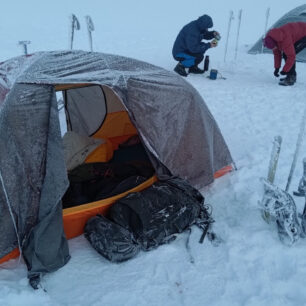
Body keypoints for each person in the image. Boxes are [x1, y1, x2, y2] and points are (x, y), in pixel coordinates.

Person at [263, 22, 306, 86]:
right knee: (287, 53)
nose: (274, 48)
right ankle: (291, 75)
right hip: (297, 31)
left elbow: (291, 56)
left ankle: (291, 78)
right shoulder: (272, 38)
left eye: (274, 47)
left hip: (304, 34)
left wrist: (285, 70)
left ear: (275, 43)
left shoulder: (284, 39)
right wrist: (277, 68)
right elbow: (277, 54)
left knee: (288, 54)